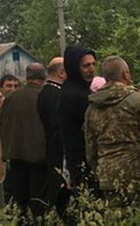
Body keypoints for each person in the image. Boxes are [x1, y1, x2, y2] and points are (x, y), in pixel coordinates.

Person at [84, 56, 140, 203]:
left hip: (109, 179)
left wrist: (100, 172)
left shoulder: (93, 107)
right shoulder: (138, 102)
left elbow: (90, 149)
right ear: (125, 74)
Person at [0, 63, 48, 219]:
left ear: (26, 77)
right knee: (38, 203)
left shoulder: (11, 98)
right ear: (44, 76)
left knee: (19, 204)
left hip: (15, 157)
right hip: (39, 158)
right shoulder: (44, 96)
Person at [59, 46, 96, 189]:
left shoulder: (79, 90)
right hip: (80, 160)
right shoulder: (75, 96)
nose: (91, 69)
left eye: (93, 64)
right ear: (74, 68)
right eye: (86, 66)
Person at [37, 57, 70, 217]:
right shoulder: (55, 95)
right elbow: (58, 129)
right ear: (62, 72)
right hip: (58, 157)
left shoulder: (45, 92)